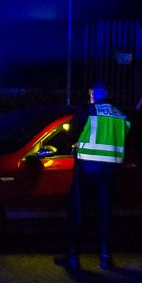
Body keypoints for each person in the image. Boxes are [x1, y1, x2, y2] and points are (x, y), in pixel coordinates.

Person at [55, 80, 130, 270]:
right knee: (105, 214)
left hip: (87, 169)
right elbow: (124, 138)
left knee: (78, 212)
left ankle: (73, 257)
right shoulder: (121, 115)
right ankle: (105, 257)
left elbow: (71, 136)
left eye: (91, 95)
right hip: (110, 171)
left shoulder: (87, 111)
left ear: (93, 95)